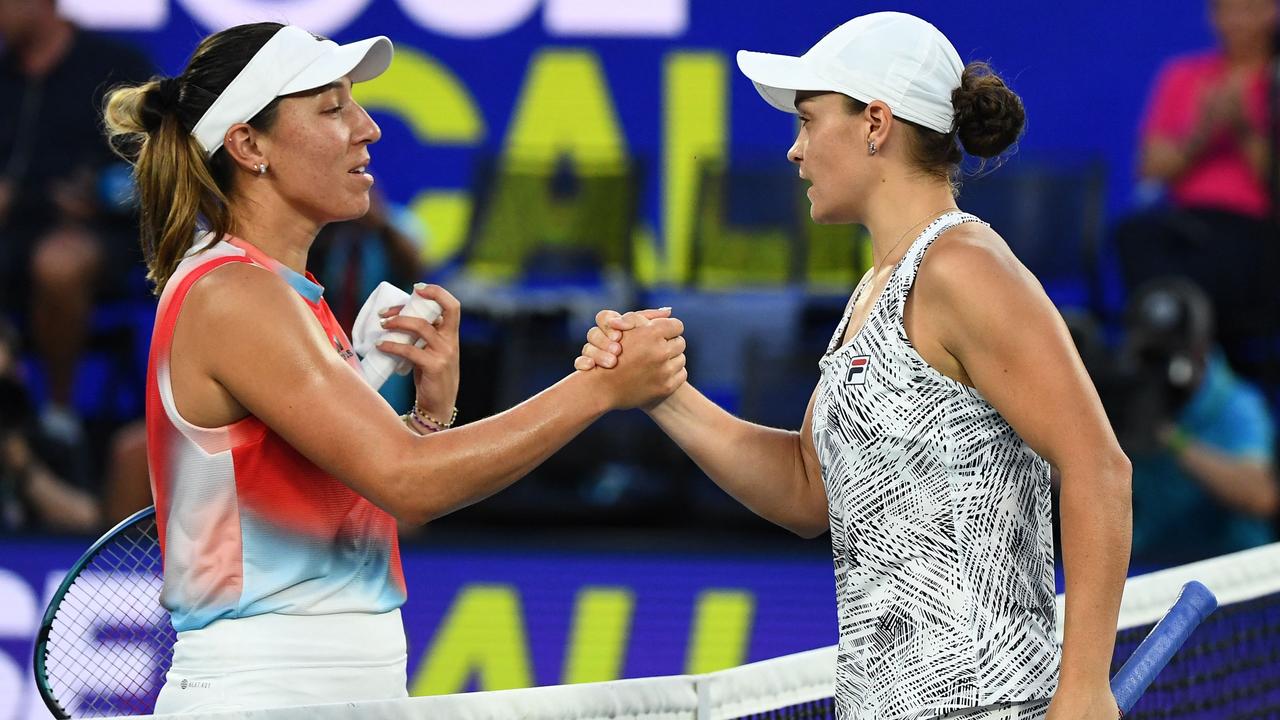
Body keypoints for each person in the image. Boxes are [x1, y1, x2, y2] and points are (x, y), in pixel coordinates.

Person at [102, 22, 686, 713]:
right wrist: (599, 388)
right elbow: (410, 485)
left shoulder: (287, 296)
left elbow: (375, 501)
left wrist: (430, 415)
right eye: (332, 108)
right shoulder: (234, 296)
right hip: (265, 694)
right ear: (248, 144)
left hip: (343, 684)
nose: (368, 128)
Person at [578, 12, 1131, 720]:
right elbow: (810, 491)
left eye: (809, 121)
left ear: (876, 122)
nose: (795, 151)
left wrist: (1084, 691)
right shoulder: (876, 289)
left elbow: (1099, 468)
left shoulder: (964, 268)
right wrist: (662, 395)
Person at [0, 0, 154, 438]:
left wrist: (104, 195)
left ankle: (57, 415)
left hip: (106, 235)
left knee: (58, 262)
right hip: (14, 234)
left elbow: (159, 166)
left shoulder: (114, 68)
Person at [1116, 0, 1280, 379]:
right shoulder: (1185, 76)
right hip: (1186, 225)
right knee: (1134, 234)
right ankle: (1173, 357)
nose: (1239, 21)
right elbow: (1151, 170)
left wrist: (1243, 127)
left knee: (1203, 267)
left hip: (1254, 230)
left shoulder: (1273, 82)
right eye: (1229, 9)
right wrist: (1203, 132)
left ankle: (1178, 364)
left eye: (1251, 9)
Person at [1114, 279, 1277, 564]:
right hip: (1149, 569)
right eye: (1151, 356)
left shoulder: (1238, 405)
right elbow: (1067, 477)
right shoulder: (1129, 399)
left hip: (1229, 570)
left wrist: (1171, 438)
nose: (1160, 369)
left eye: (1169, 357)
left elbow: (1260, 495)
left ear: (1200, 350)